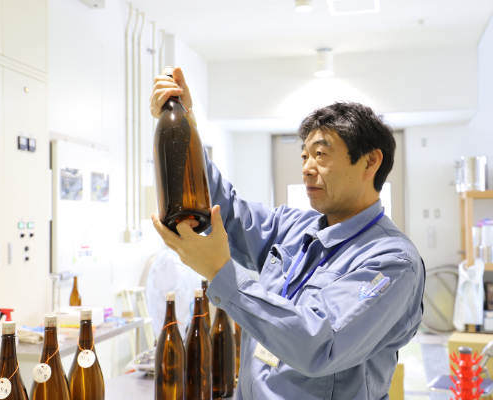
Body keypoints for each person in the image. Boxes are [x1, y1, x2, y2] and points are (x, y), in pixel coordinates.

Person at [149, 67, 426, 400]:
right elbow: (223, 208)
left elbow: (320, 345)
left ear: (370, 163)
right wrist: (186, 127)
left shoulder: (392, 261)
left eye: (321, 154)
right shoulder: (294, 228)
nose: (307, 167)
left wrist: (223, 275)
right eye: (305, 155)